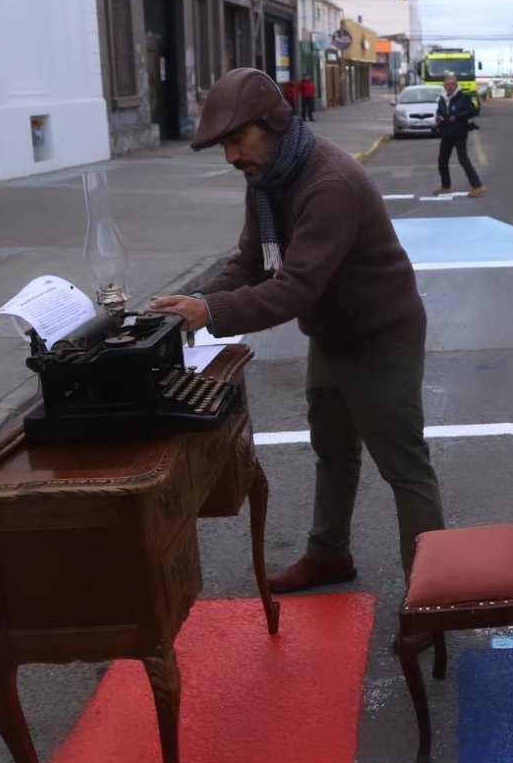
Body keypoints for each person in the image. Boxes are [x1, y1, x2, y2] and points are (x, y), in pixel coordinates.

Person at [151, 68, 445, 594]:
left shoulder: (328, 184)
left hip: (380, 338)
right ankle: (328, 554)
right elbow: (251, 262)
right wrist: (196, 302)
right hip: (332, 335)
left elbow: (293, 289)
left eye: (237, 140)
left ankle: (432, 593)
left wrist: (209, 314)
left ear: (274, 123)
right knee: (333, 449)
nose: (231, 157)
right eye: (223, 145)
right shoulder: (268, 180)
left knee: (405, 468)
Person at [433, 75, 484, 197]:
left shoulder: (462, 97)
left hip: (459, 133)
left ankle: (477, 186)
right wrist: (438, 117)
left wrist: (457, 117)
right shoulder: (442, 98)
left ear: (456, 85)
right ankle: (446, 186)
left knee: (463, 160)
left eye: (452, 84)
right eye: (447, 84)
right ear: (444, 86)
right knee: (442, 161)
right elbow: (440, 111)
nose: (449, 87)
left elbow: (473, 111)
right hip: (446, 133)